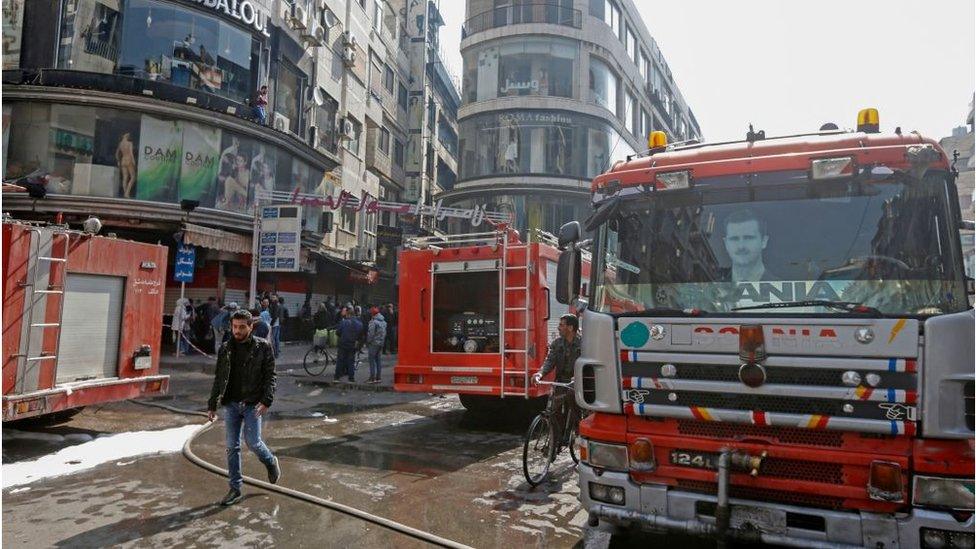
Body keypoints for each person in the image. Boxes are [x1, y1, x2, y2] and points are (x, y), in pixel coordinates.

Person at [207, 310, 280, 506]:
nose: (237, 331)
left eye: (241, 327)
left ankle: (270, 461)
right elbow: (219, 377)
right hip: (231, 403)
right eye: (234, 327)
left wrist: (266, 400)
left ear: (251, 327)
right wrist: (212, 403)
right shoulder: (225, 348)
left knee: (254, 443)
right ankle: (235, 488)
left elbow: (271, 376)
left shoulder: (263, 347)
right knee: (232, 447)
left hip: (252, 403)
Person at [532, 314, 582, 444]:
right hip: (561, 380)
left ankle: (579, 428)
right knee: (554, 409)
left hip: (578, 382)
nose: (558, 328)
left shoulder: (583, 344)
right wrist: (539, 374)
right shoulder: (557, 344)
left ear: (570, 328)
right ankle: (556, 440)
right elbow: (549, 361)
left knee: (572, 396)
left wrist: (577, 377)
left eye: (561, 325)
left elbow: (587, 363)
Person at [722, 209, 777, 283]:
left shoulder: (784, 290)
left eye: (748, 238)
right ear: (726, 243)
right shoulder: (711, 290)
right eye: (734, 239)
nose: (741, 246)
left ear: (764, 241)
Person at [334, 307, 363, 383]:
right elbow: (361, 334)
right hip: (352, 345)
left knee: (340, 360)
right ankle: (351, 378)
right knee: (351, 361)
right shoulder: (359, 323)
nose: (346, 316)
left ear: (349, 314)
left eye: (346, 314)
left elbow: (337, 332)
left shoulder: (344, 322)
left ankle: (337, 377)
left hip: (343, 344)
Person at [365, 307, 387, 383]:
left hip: (373, 343)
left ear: (372, 314)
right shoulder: (383, 322)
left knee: (372, 361)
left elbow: (371, 334)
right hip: (381, 343)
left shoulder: (373, 322)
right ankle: (378, 378)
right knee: (378, 360)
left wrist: (368, 341)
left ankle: (372, 378)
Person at [115, 132, 136, 198]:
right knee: (133, 177)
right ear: (125, 135)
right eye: (127, 134)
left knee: (125, 177)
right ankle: (127, 192)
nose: (128, 135)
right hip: (129, 159)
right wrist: (133, 161)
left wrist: (118, 161)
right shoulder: (130, 143)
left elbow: (116, 154)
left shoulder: (120, 144)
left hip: (123, 160)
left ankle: (125, 193)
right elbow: (131, 153)